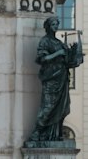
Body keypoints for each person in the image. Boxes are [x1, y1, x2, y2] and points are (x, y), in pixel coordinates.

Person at [26, 16, 84, 144]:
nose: (56, 27)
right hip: (51, 79)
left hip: (62, 78)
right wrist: (57, 54)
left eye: (57, 24)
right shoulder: (45, 41)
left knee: (62, 108)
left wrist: (76, 54)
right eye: (53, 24)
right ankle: (37, 133)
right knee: (48, 107)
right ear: (48, 26)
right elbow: (41, 59)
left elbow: (68, 62)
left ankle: (55, 135)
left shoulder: (60, 43)